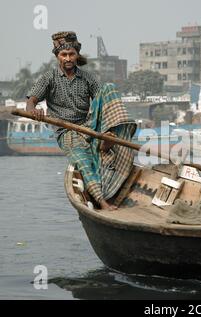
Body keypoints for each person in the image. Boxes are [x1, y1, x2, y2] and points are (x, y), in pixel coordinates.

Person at [26, 31, 136, 211]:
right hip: (67, 132)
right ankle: (102, 201)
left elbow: (102, 100)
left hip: (88, 126)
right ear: (57, 57)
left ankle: (107, 139)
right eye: (64, 55)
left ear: (77, 55)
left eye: (71, 54)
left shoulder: (87, 78)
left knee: (109, 88)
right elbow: (31, 100)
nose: (68, 58)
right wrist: (33, 110)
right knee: (82, 158)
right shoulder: (48, 78)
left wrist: (101, 123)